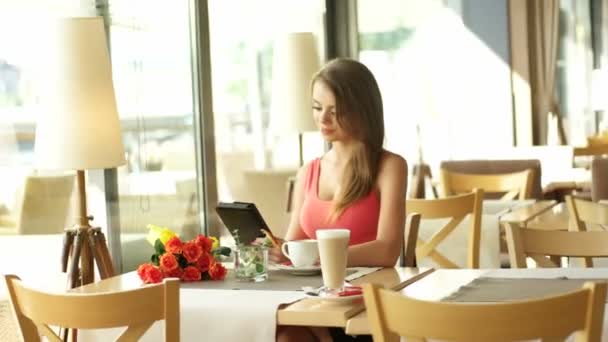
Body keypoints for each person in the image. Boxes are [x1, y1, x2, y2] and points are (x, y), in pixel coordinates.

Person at [274, 58, 407, 342]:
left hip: (365, 306)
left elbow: (387, 250)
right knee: (280, 332)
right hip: (315, 302)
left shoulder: (389, 167)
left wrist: (322, 259)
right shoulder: (308, 171)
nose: (323, 119)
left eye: (335, 111)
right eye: (317, 107)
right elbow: (295, 247)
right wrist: (280, 251)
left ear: (362, 111)